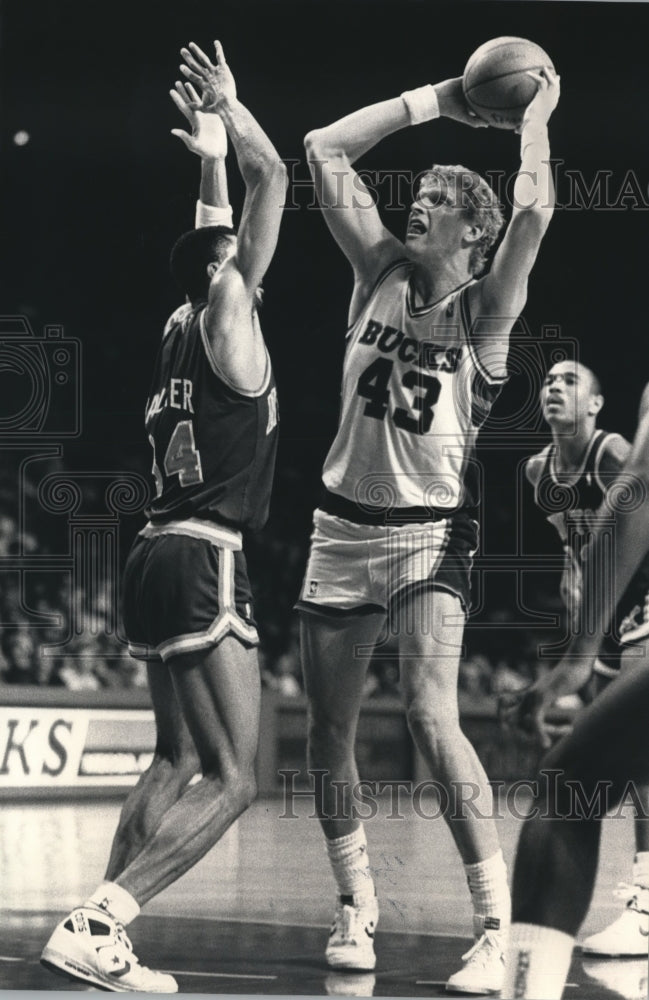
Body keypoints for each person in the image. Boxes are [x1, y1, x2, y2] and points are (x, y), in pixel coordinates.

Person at [298, 67, 559, 993]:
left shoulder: (482, 313)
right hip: (338, 526)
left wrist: (536, 120)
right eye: (422, 192)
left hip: (427, 532)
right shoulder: (376, 271)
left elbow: (534, 214)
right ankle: (355, 906)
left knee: (426, 712)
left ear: (473, 234)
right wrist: (438, 99)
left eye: (442, 202)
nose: (420, 205)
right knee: (325, 735)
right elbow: (323, 151)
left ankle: (493, 925)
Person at [41, 40, 286, 992]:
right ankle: (106, 915)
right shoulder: (230, 311)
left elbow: (219, 224)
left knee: (173, 755)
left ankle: (94, 933)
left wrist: (209, 160)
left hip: (153, 551)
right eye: (235, 257)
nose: (243, 257)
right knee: (235, 777)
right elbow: (275, 180)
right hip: (203, 551)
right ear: (227, 272)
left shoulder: (180, 325)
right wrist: (239, 118)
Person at [500, 382, 649, 1000]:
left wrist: (580, 652)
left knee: (569, 783)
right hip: (627, 610)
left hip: (631, 611)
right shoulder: (541, 472)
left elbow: (636, 496)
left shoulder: (610, 452)